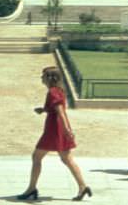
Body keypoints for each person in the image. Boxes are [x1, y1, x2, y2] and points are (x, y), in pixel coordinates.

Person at [17, 66, 91, 201]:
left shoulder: (52, 92)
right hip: (59, 127)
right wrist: (44, 109)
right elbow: (57, 108)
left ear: (50, 78)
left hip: (54, 129)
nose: (41, 78)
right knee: (67, 159)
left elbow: (60, 112)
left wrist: (67, 130)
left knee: (36, 157)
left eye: (43, 76)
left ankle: (31, 189)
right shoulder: (58, 90)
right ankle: (82, 186)